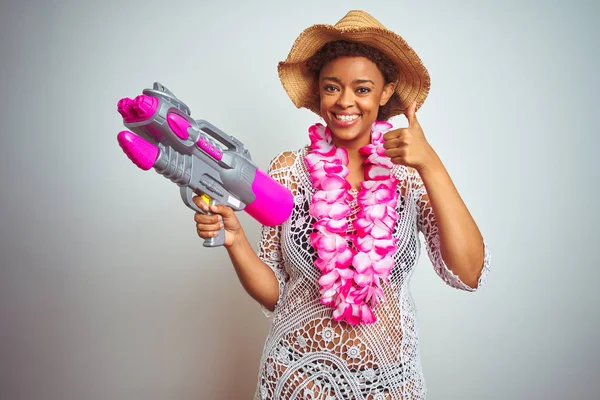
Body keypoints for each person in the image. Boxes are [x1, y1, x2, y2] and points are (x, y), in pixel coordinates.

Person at [193, 10, 491, 400]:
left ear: (386, 93)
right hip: (296, 377)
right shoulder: (287, 170)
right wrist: (235, 239)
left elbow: (468, 272)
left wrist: (430, 163)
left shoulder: (407, 175)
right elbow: (276, 293)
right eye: (332, 87)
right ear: (319, 91)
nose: (345, 101)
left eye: (362, 89)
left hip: (388, 382)